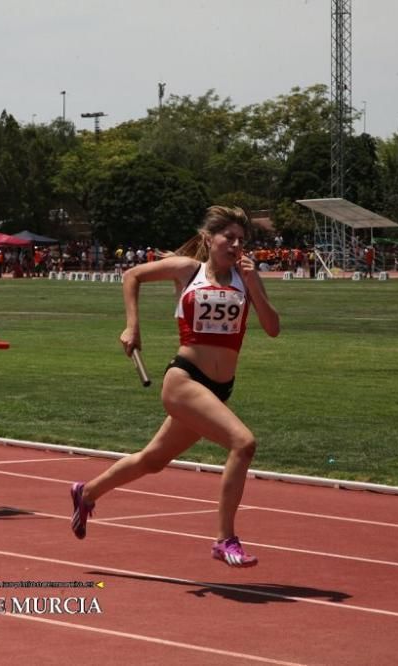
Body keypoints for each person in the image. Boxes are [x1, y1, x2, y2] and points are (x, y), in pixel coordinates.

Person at [69, 206, 280, 567]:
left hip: (217, 390)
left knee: (153, 459)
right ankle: (224, 538)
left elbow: (273, 328)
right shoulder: (189, 271)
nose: (235, 244)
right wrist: (132, 327)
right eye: (228, 237)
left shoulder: (246, 280)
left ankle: (87, 492)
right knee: (243, 444)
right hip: (183, 379)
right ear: (208, 239)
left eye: (241, 240)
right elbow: (132, 275)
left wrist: (257, 286)